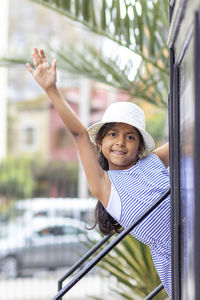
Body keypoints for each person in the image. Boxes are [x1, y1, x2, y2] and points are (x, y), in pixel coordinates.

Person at [27, 48, 171, 297]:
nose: (120, 142)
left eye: (130, 137)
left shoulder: (152, 161)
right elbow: (80, 134)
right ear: (101, 143)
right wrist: (51, 89)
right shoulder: (106, 186)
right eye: (113, 134)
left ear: (139, 146)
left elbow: (187, 138)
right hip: (176, 260)